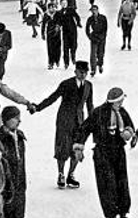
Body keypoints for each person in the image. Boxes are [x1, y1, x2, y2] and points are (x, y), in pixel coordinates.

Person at [73, 87, 138, 218]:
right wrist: (79, 148)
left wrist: (128, 132)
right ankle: (112, 217)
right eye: (120, 100)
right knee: (107, 184)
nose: (122, 102)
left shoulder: (122, 112)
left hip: (118, 151)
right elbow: (84, 129)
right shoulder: (98, 113)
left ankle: (123, 214)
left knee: (122, 182)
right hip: (103, 152)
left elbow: (130, 125)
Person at [33, 61, 94, 189]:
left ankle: (71, 175)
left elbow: (89, 105)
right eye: (80, 72)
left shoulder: (89, 86)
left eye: (85, 73)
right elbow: (53, 97)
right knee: (63, 147)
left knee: (77, 147)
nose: (83, 75)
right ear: (75, 71)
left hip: (79, 121)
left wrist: (93, 121)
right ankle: (61, 174)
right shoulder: (66, 84)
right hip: (64, 120)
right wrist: (38, 107)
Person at [85, 4, 108, 76]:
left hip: (101, 37)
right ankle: (93, 69)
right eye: (92, 11)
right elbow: (87, 29)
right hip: (94, 37)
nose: (93, 12)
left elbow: (105, 28)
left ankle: (100, 65)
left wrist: (103, 36)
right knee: (93, 54)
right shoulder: (90, 19)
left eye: (95, 10)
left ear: (98, 10)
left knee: (100, 53)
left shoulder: (103, 18)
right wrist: (90, 37)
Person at [59, 3, 82, 69]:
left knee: (74, 45)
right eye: (62, 3)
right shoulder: (60, 12)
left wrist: (78, 23)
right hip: (65, 31)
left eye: (64, 3)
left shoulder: (71, 10)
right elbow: (59, 21)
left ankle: (73, 55)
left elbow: (77, 16)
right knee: (65, 47)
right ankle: (66, 62)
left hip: (73, 30)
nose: (63, 4)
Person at [42, 1, 64, 69]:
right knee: (50, 48)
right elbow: (43, 24)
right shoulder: (46, 15)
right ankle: (50, 62)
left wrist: (58, 25)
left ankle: (57, 60)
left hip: (57, 33)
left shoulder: (58, 14)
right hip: (49, 33)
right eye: (50, 8)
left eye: (53, 7)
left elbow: (61, 21)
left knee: (57, 48)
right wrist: (42, 33)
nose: (52, 9)